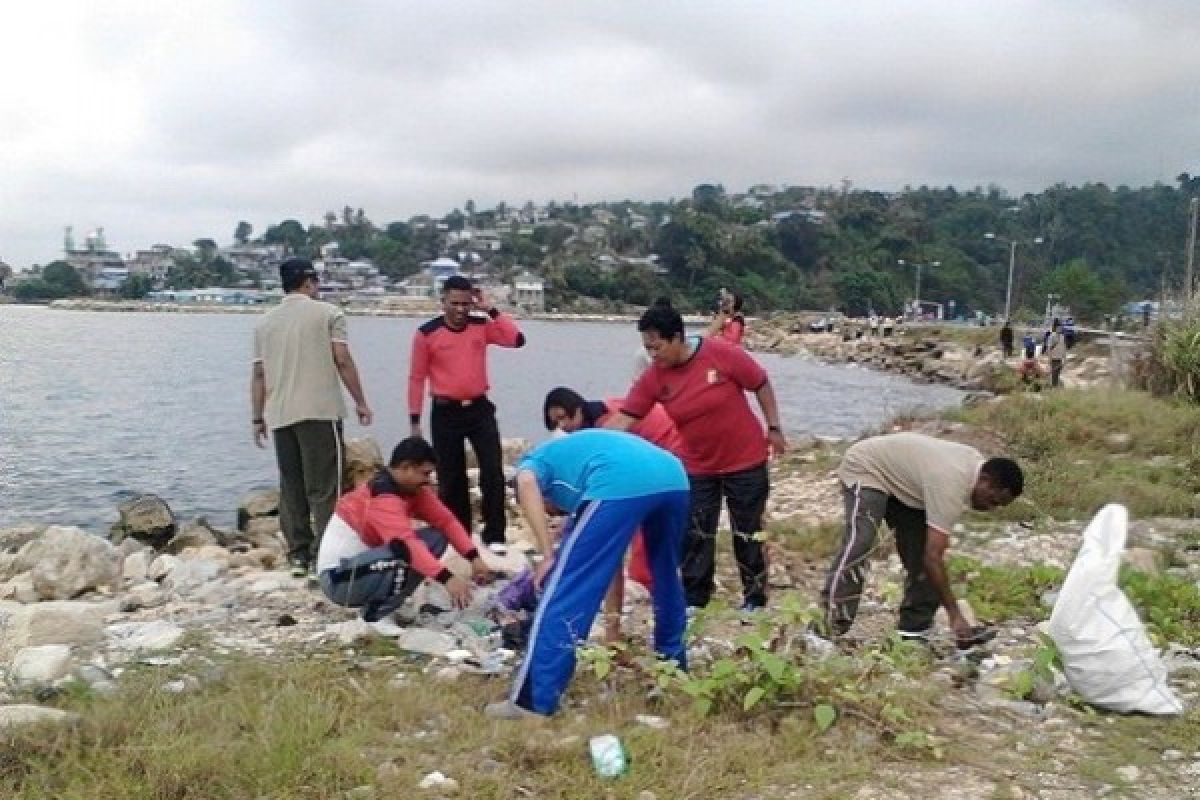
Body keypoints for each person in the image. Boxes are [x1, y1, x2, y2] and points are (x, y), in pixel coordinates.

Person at [484, 429, 690, 719]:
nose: (553, 515)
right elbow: (610, 566)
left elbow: (526, 481)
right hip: (674, 478)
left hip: (619, 480)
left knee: (566, 587)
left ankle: (533, 701)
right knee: (666, 577)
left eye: (546, 510)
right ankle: (675, 672)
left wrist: (547, 555)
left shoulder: (534, 463)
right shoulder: (577, 470)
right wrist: (613, 632)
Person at [606, 304, 788, 612]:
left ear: (677, 338)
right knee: (697, 532)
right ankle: (696, 598)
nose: (653, 354)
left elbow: (760, 383)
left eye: (657, 346)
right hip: (698, 463)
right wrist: (595, 443)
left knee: (747, 529)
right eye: (648, 348)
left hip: (745, 458)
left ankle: (755, 598)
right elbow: (627, 415)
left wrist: (773, 427)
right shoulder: (655, 378)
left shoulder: (721, 354)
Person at [820, 432, 1023, 646]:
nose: (991, 508)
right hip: (869, 466)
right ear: (985, 481)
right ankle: (829, 624)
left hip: (907, 487)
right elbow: (933, 557)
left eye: (999, 506)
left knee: (919, 554)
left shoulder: (975, 469)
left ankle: (914, 629)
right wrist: (955, 615)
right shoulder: (951, 483)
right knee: (860, 542)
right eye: (993, 500)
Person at [251, 258, 373, 575]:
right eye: (315, 281)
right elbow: (342, 360)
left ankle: (298, 553)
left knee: (292, 486)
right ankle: (325, 552)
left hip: (280, 414)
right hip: (320, 411)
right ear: (308, 282)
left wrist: (256, 417)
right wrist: (360, 401)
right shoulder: (329, 314)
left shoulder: (265, 323)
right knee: (323, 487)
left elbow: (259, 375)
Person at [542, 386, 683, 641]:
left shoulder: (608, 429)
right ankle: (641, 630)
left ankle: (664, 623)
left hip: (665, 456)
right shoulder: (600, 417)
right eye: (557, 423)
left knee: (644, 561)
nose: (564, 427)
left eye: (565, 418)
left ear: (579, 409)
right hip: (652, 467)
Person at [316, 438, 492, 633]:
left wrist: (473, 557)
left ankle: (388, 606)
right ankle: (374, 616)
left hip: (363, 567)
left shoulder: (412, 490)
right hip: (338, 579)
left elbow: (446, 521)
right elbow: (407, 545)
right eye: (425, 473)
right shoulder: (382, 497)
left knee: (436, 537)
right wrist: (447, 578)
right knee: (404, 552)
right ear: (406, 467)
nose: (428, 480)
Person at [408, 275, 525, 548]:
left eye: (465, 303)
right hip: (445, 412)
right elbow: (416, 378)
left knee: (492, 471)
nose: (460, 310)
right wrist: (415, 420)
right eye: (454, 303)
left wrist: (490, 310)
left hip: (479, 409)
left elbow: (516, 339)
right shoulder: (427, 333)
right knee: (451, 476)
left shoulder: (480, 326)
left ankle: (495, 534)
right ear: (443, 302)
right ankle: (460, 537)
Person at [1045, 318, 1067, 388]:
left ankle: (1055, 387)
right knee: (1054, 375)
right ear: (1056, 327)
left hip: (1060, 358)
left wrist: (1064, 358)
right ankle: (1053, 387)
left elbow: (1064, 348)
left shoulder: (1062, 336)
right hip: (1054, 359)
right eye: (1059, 327)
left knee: (1057, 374)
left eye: (1061, 327)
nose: (1060, 328)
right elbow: (1049, 348)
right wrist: (1049, 358)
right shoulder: (1052, 336)